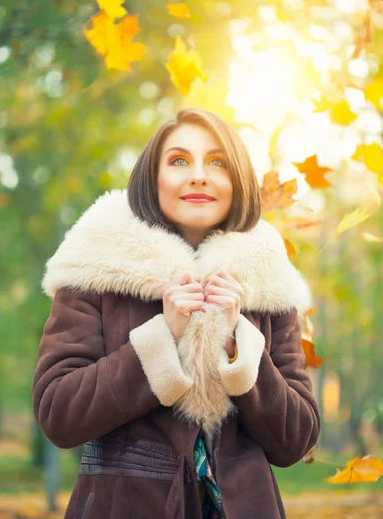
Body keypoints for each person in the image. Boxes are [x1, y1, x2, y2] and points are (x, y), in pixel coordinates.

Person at [32, 107, 321, 519]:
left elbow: (296, 439)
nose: (198, 175)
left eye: (217, 162)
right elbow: (58, 413)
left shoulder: (267, 281)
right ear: (154, 179)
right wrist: (160, 340)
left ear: (236, 180)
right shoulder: (96, 266)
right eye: (179, 160)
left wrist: (240, 348)